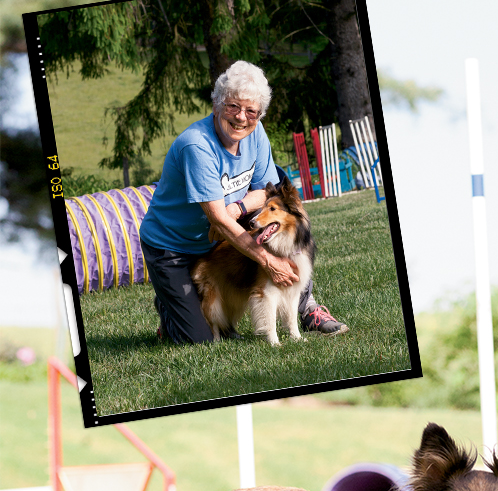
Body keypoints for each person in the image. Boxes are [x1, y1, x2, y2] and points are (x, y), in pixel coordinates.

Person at [138, 60, 347, 344]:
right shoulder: (197, 146)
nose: (241, 118)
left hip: (220, 233)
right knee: (200, 341)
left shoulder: (256, 133)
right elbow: (218, 221)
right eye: (233, 106)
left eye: (252, 111)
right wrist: (268, 260)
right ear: (216, 105)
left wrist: (238, 207)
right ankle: (171, 307)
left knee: (288, 230)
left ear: (259, 114)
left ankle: (308, 308)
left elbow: (270, 194)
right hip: (173, 247)